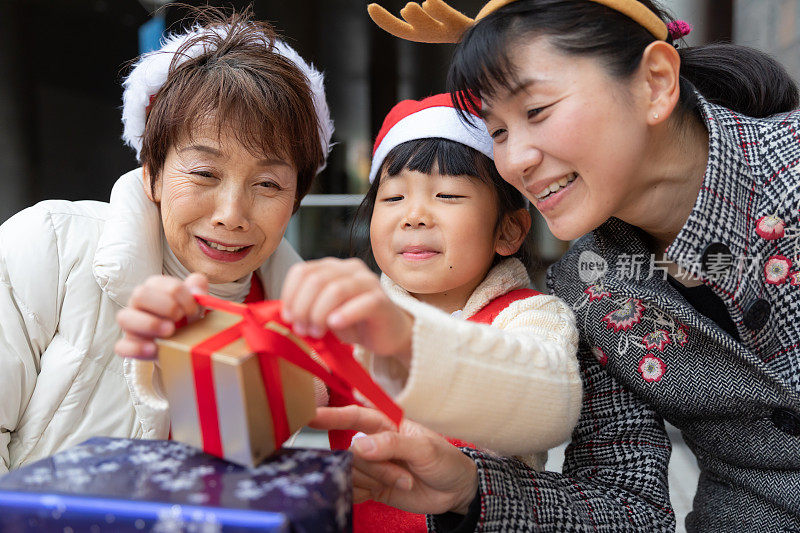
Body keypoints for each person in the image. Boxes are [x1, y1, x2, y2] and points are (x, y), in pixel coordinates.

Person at [309, 0, 800, 530]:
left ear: (655, 82)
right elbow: (627, 507)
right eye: (497, 131)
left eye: (536, 111)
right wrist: (472, 489)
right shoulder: (592, 288)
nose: (516, 160)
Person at [0, 8, 333, 474]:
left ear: (296, 195)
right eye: (204, 173)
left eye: (268, 185)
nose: (230, 215)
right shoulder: (51, 245)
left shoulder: (299, 334)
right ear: (152, 174)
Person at [277, 93, 582, 531]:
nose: (415, 215)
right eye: (394, 197)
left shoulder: (531, 316)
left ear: (509, 229)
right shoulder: (346, 320)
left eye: (448, 194)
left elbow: (547, 401)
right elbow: (275, 402)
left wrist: (402, 341)